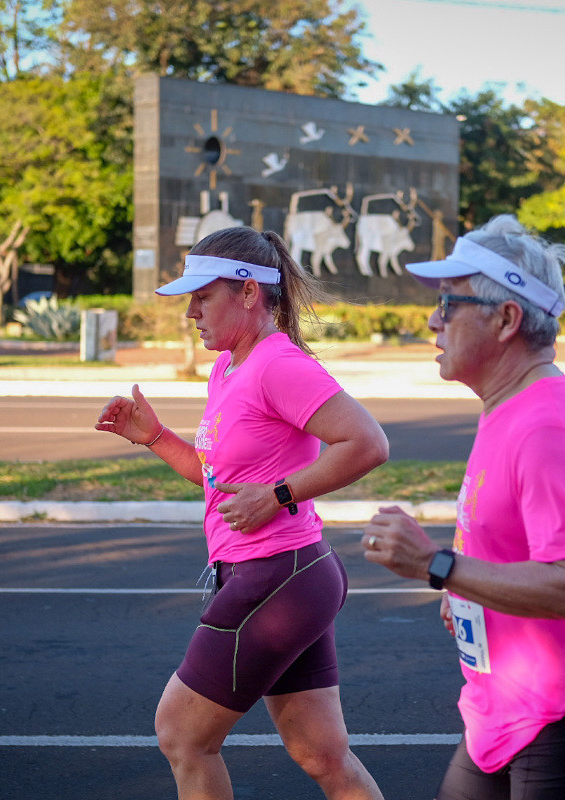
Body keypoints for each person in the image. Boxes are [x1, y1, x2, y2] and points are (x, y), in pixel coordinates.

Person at [95, 226, 388, 800]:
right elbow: (220, 483)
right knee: (322, 754)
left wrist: (280, 493)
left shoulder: (279, 364)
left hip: (279, 576)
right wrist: (154, 436)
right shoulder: (228, 368)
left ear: (250, 292)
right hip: (287, 576)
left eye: (203, 297)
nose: (191, 313)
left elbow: (367, 443)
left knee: (181, 734)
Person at [361, 214, 565, 800]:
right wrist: (469, 587)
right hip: (503, 706)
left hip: (563, 717)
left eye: (449, 303)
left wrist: (439, 567)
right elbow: (515, 539)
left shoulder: (544, 427)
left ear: (506, 319)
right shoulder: (506, 404)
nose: (433, 320)